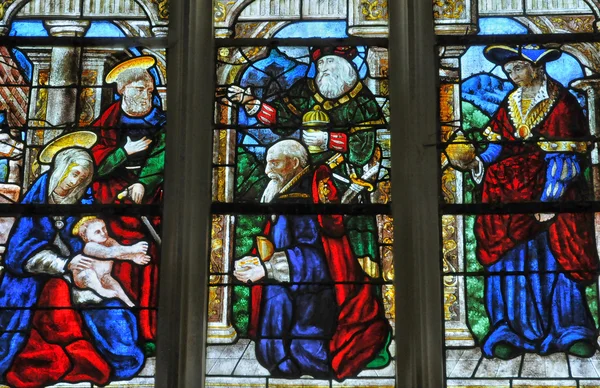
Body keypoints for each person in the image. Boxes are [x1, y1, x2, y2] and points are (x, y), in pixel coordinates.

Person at [451, 45, 599, 359]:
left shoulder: (563, 104)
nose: (512, 75)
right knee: (511, 263)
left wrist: (550, 200)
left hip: (555, 197)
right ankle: (509, 331)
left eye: (517, 68)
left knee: (557, 260)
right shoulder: (510, 103)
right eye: (509, 71)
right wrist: (475, 162)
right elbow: (497, 148)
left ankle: (570, 330)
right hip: (511, 200)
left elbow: (569, 155)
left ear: (536, 67)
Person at [226, 46, 385, 297]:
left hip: (344, 185)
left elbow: (362, 149)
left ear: (347, 68)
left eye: (330, 64)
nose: (324, 71)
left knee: (344, 252)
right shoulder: (307, 91)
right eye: (321, 65)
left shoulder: (361, 101)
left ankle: (348, 298)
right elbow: (282, 119)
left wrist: (329, 140)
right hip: (304, 180)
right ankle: (291, 287)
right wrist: (252, 103)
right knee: (293, 233)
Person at [234, 140, 390, 380]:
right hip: (286, 295)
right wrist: (255, 262)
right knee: (278, 348)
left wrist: (267, 268)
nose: (267, 171)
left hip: (313, 304)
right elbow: (276, 244)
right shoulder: (283, 194)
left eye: (274, 163)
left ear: (294, 163)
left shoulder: (302, 199)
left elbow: (317, 260)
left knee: (306, 352)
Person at [0, 132, 144, 387]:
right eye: (73, 173)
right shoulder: (37, 200)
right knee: (55, 304)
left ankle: (120, 358)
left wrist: (105, 252)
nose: (74, 181)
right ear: (60, 169)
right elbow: (17, 254)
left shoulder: (81, 201)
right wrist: (63, 264)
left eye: (81, 177)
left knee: (109, 307)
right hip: (31, 283)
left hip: (77, 273)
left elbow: (88, 240)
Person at [91, 55, 166, 342]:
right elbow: (93, 164)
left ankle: (149, 330)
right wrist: (125, 152)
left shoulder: (162, 121)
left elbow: (163, 157)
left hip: (151, 198)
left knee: (151, 260)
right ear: (122, 90)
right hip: (112, 202)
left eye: (149, 90)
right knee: (117, 261)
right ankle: (122, 332)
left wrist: (144, 184)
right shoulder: (106, 123)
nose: (146, 95)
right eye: (139, 89)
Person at [72, 216, 150, 307]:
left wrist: (133, 257)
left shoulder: (110, 241)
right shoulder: (89, 246)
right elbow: (109, 253)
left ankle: (129, 303)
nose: (103, 233)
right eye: (97, 232)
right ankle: (100, 290)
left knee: (114, 284)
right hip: (83, 277)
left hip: (104, 276)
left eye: (104, 228)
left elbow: (119, 254)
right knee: (89, 273)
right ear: (87, 237)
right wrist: (132, 249)